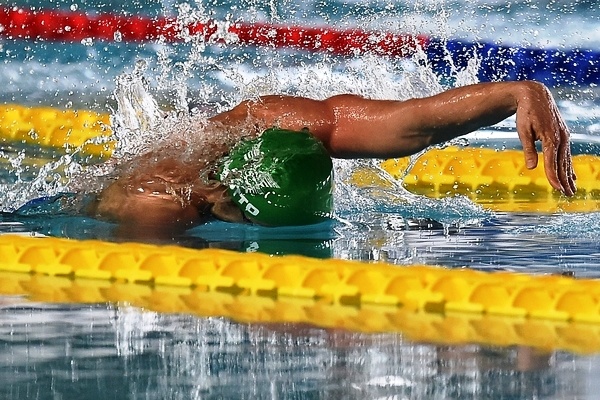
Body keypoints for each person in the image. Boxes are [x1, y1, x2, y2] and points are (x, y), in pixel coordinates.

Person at [91, 80, 576, 232]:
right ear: (226, 205)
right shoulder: (158, 201)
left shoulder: (266, 119)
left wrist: (518, 94)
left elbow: (403, 122)